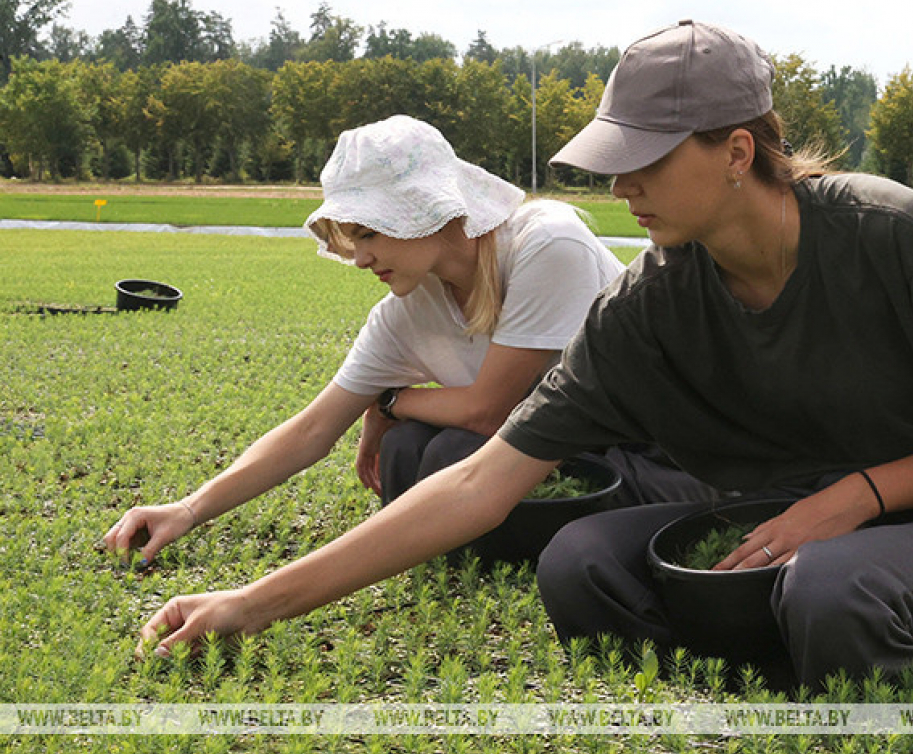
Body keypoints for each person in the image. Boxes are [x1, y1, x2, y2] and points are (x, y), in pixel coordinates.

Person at [130, 22, 913, 690]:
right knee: (578, 564)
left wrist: (854, 499)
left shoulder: (890, 231)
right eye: (615, 160)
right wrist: (252, 602)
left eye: (646, 162)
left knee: (833, 588)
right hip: (777, 526)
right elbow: (478, 487)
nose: (621, 187)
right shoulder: (648, 299)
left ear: (737, 150)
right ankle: (782, 646)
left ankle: (819, 632)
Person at [102, 114, 705, 568]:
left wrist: (387, 401)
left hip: (655, 455)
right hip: (551, 454)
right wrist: (187, 510)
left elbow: (487, 408)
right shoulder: (406, 308)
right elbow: (312, 429)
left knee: (443, 453)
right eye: (351, 236)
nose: (360, 257)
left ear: (428, 212)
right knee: (406, 453)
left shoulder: (547, 244)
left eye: (370, 232)